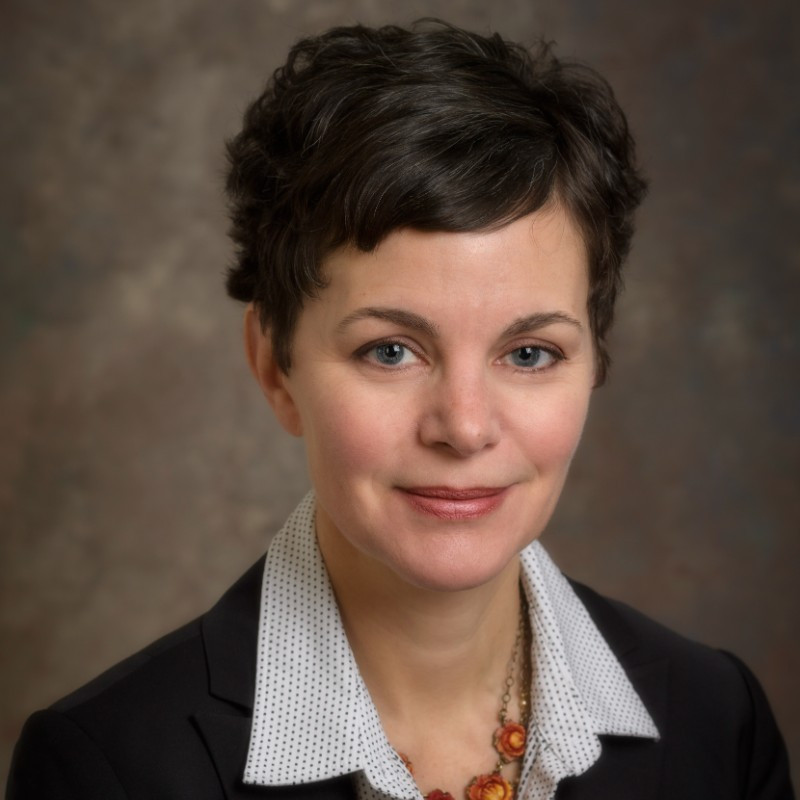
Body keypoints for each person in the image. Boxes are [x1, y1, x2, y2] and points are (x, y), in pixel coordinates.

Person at [6, 19, 793, 800]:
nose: (465, 426)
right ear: (274, 365)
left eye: (529, 354)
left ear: (593, 361)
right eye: (391, 351)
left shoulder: (717, 724)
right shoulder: (103, 770)